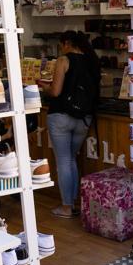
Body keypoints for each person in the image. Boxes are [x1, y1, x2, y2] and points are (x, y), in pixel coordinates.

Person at [43, 31, 101, 218]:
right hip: (84, 119)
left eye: (62, 45)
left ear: (67, 43)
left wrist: (43, 86)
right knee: (71, 159)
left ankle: (67, 207)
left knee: (63, 162)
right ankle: (75, 204)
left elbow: (56, 91)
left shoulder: (63, 61)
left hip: (61, 116)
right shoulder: (92, 61)